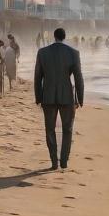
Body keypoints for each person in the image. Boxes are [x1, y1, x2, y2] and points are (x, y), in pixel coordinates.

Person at [34, 27, 84, 172]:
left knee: (50, 129)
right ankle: (64, 161)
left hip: (48, 96)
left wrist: (38, 97)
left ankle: (53, 162)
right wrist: (80, 98)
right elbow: (78, 78)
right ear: (64, 37)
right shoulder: (73, 53)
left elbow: (38, 77)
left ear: (54, 37)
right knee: (67, 129)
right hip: (67, 96)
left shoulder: (42, 53)